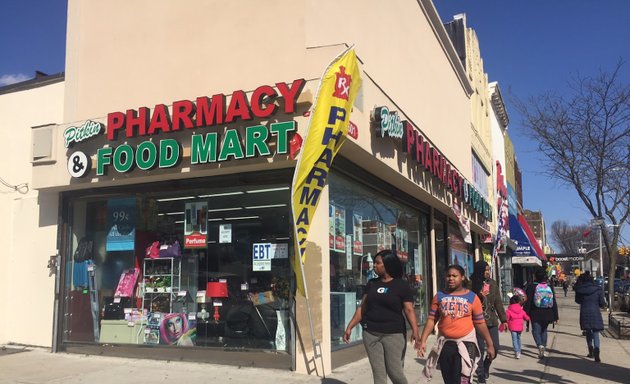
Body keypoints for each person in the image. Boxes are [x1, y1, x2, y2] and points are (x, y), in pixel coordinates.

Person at [343, 249, 420, 384]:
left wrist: (415, 330)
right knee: (379, 374)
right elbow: (363, 307)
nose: (374, 266)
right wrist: (350, 327)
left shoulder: (401, 285)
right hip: (371, 333)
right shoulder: (372, 283)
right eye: (374, 263)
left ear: (388, 265)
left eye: (378, 263)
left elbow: (409, 309)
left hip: (394, 334)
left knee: (395, 372)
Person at [418, 265, 495, 384]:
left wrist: (490, 345)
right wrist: (423, 340)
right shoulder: (439, 296)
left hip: (465, 344)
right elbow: (431, 319)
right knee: (449, 379)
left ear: (463, 277)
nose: (451, 278)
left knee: (461, 379)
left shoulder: (472, 297)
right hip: (445, 344)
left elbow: (480, 323)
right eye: (448, 276)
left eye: (455, 276)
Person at [470, 260, 507, 384]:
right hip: (477, 321)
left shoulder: (493, 283)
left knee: (495, 347)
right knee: (479, 349)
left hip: (491, 320)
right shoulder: (471, 283)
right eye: (485, 270)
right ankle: (480, 373)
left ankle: (486, 365)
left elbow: (498, 302)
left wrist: (504, 319)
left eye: (488, 270)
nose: (487, 272)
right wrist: (478, 295)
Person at [523, 267, 559, 359]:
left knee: (536, 331)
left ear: (535, 276)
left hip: (535, 313)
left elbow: (528, 301)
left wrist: (525, 313)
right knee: (544, 330)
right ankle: (544, 347)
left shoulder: (531, 287)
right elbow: (553, 301)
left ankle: (540, 346)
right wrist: (555, 315)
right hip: (548, 312)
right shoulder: (548, 287)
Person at [574, 271, 605, 362]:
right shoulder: (598, 289)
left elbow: (577, 301)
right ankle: (597, 351)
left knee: (588, 332)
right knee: (596, 333)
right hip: (595, 311)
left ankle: (590, 350)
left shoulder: (580, 289)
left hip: (585, 311)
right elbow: (602, 302)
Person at [506, 293, 530, 359]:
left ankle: (517, 352)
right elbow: (526, 317)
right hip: (519, 328)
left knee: (514, 340)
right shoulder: (521, 310)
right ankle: (519, 351)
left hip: (512, 327)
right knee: (518, 339)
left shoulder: (509, 310)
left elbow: (506, 318)